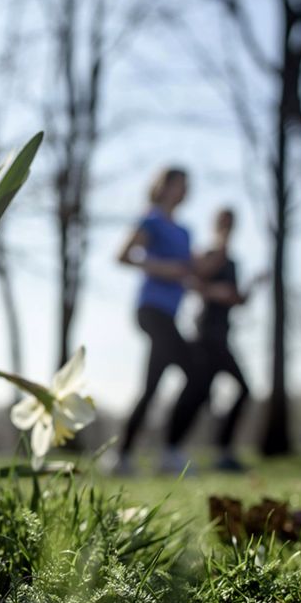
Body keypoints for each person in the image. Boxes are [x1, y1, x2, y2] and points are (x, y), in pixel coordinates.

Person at [114, 166, 214, 475]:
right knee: (198, 375)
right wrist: (162, 268)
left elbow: (192, 273)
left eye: (187, 185)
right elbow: (124, 255)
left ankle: (122, 457)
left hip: (170, 313)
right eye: (179, 184)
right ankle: (170, 452)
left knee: (152, 387)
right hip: (151, 310)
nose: (184, 191)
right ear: (164, 186)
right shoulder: (151, 219)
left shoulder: (185, 232)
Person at [165, 208, 265, 472]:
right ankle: (172, 449)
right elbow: (192, 282)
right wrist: (213, 291)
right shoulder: (208, 255)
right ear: (216, 224)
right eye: (224, 222)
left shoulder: (232, 262)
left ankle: (219, 451)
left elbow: (236, 299)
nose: (228, 227)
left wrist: (253, 285)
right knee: (201, 391)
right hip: (205, 334)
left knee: (219, 391)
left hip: (223, 333)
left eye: (232, 223)